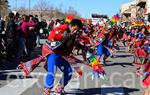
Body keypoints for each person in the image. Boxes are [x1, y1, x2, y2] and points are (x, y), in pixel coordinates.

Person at [43, 19, 83, 95]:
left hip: (62, 55)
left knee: (68, 71)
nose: (76, 31)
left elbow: (75, 44)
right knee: (52, 71)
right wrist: (66, 36)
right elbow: (53, 35)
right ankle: (47, 89)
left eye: (78, 30)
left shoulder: (75, 34)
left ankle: (59, 88)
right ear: (71, 26)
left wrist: (84, 47)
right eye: (75, 29)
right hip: (52, 52)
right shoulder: (63, 27)